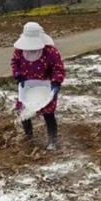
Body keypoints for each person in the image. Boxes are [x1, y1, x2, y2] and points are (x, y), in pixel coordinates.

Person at [11, 22, 65, 150]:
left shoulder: (50, 52)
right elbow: (15, 63)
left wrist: (56, 82)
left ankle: (52, 140)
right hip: (27, 87)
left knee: (48, 113)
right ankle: (28, 135)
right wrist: (18, 75)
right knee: (24, 111)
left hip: (46, 87)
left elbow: (58, 69)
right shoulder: (19, 51)